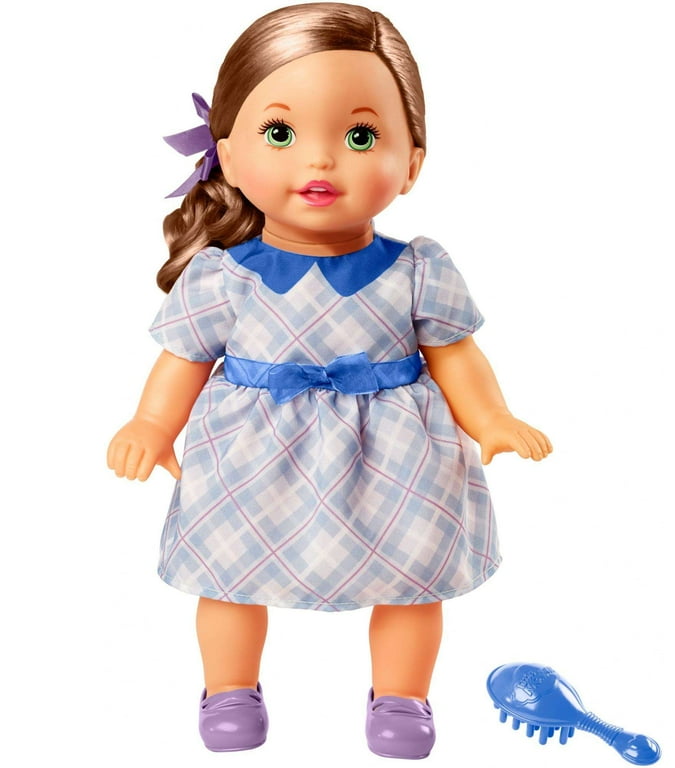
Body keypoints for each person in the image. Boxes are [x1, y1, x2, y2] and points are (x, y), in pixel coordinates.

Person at [107, 2, 552, 759]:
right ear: (228, 155)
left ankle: (402, 697)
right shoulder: (223, 276)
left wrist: (492, 419)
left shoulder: (417, 269)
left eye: (360, 137)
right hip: (251, 455)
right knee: (228, 574)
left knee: (413, 576)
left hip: (395, 455)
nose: (319, 162)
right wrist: (151, 424)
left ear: (412, 162)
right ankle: (229, 687)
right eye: (280, 134)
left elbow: (455, 354)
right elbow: (182, 358)